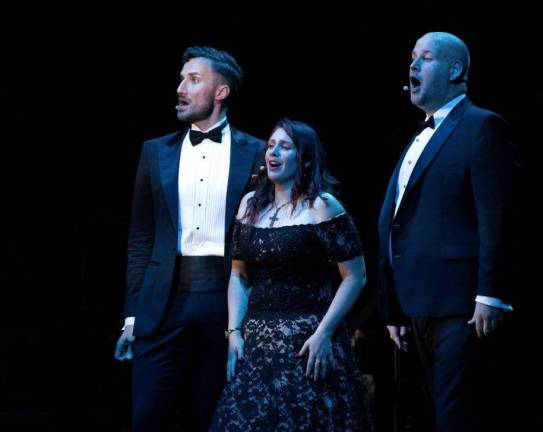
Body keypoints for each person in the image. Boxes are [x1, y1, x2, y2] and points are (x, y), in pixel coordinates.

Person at [113, 46, 265, 432]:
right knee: (148, 416)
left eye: (193, 79)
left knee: (216, 415)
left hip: (226, 300)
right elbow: (140, 239)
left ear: (221, 91)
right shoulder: (154, 152)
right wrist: (131, 315)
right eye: (181, 79)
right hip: (164, 301)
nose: (181, 87)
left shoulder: (259, 153)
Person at [378, 32, 519, 431]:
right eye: (411, 58)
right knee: (428, 414)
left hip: (461, 304)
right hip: (415, 303)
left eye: (425, 57)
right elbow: (397, 222)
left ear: (455, 70)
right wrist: (391, 306)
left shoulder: (482, 126)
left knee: (456, 415)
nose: (412, 66)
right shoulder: (418, 137)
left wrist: (491, 293)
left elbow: (497, 216)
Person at [209, 119, 373, 431]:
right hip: (256, 344)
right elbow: (238, 276)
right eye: (271, 145)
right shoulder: (250, 206)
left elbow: (355, 277)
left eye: (285, 147)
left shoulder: (323, 206)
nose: (273, 152)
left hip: (307, 341)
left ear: (305, 158)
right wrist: (234, 332)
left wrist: (324, 333)